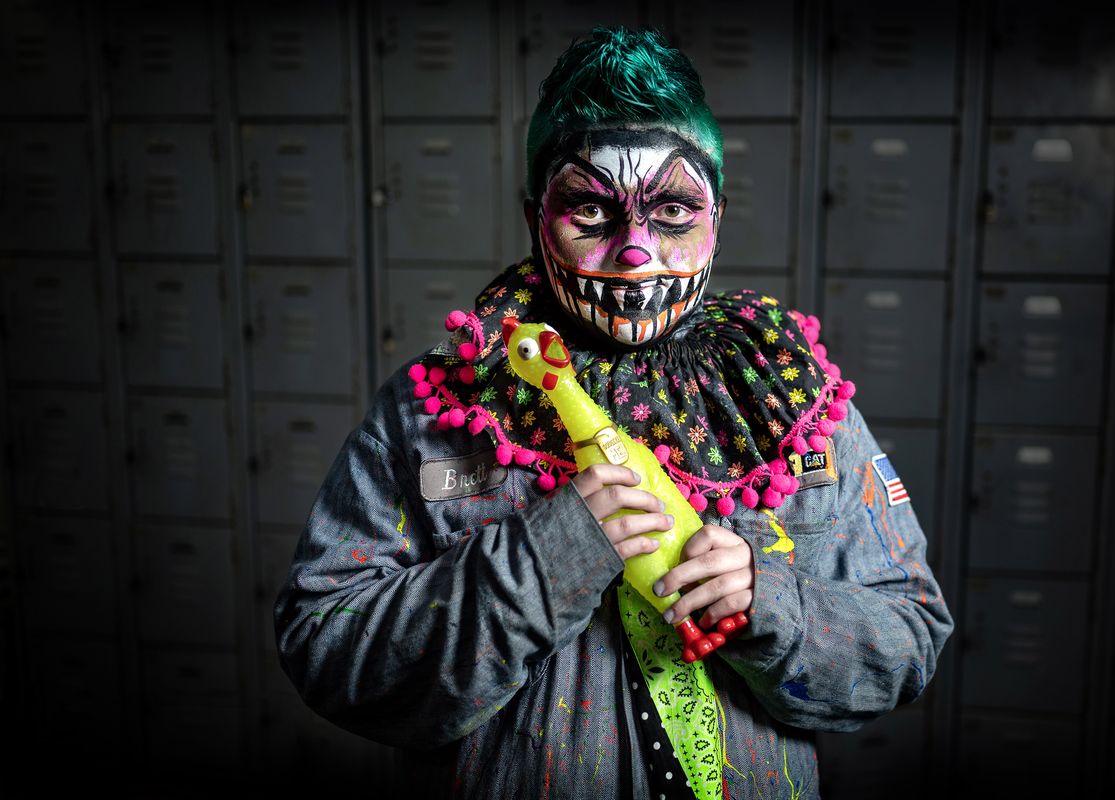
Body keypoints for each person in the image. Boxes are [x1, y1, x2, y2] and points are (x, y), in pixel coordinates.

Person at [274, 26, 952, 799]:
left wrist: (773, 602)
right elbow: (324, 646)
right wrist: (541, 560)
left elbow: (909, 638)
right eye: (591, 211)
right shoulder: (440, 408)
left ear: (717, 220)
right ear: (537, 217)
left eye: (671, 211)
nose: (635, 249)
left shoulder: (791, 400)